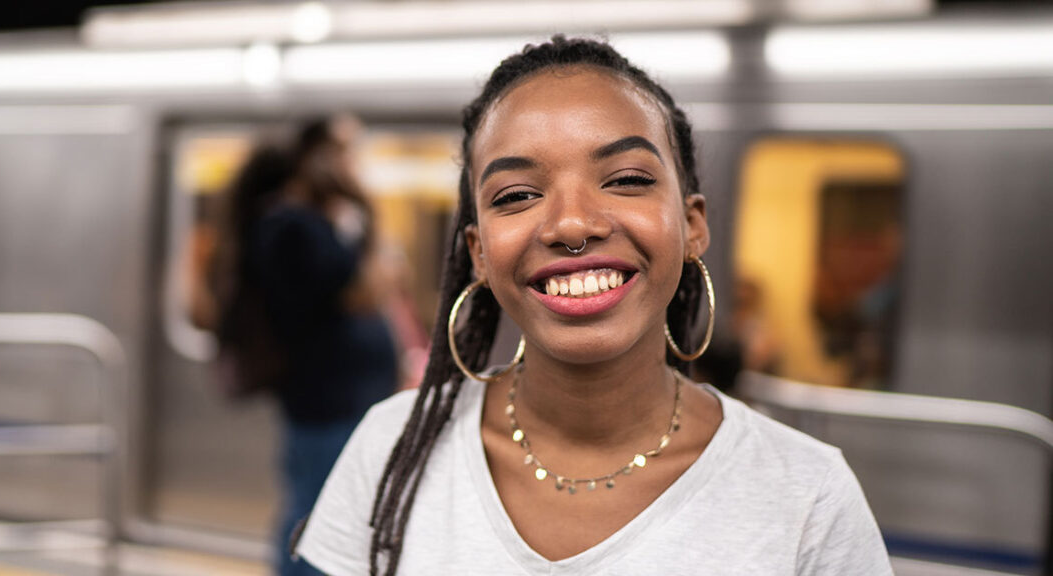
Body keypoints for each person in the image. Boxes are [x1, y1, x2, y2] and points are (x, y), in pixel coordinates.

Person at [295, 37, 892, 575]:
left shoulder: (809, 497)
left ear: (692, 226)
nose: (571, 224)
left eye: (627, 179)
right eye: (518, 194)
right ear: (478, 252)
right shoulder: (393, 446)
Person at [212, 116, 398, 576]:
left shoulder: (304, 224)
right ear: (311, 160)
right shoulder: (290, 228)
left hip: (336, 399)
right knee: (319, 513)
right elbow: (362, 290)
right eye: (340, 154)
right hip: (325, 400)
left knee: (321, 506)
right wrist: (361, 208)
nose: (349, 164)